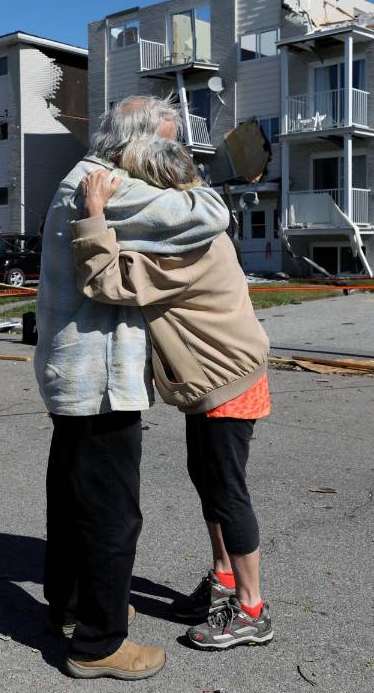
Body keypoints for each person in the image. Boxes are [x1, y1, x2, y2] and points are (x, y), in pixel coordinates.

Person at [34, 96, 229, 680]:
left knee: (73, 501)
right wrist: (188, 174)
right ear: (139, 143)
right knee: (111, 513)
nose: (172, 156)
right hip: (99, 380)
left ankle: (70, 610)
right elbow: (208, 214)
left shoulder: (85, 178)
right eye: (168, 144)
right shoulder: (110, 185)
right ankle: (99, 645)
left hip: (75, 373)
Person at [70, 137, 273, 650]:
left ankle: (251, 609)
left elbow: (109, 283)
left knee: (227, 493)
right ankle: (224, 581)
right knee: (210, 486)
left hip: (226, 380)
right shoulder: (189, 222)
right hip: (213, 378)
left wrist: (94, 213)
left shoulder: (185, 243)